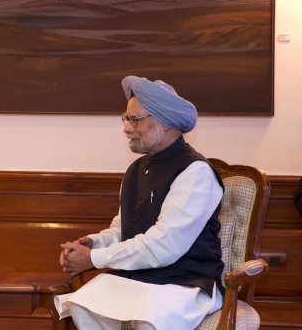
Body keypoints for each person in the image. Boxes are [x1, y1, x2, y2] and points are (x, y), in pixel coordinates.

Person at [55, 76, 225, 330]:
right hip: (140, 278)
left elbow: (164, 245)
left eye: (136, 119)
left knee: (150, 320)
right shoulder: (135, 170)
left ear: (166, 123)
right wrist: (93, 243)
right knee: (82, 304)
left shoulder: (195, 172)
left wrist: (94, 258)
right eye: (126, 119)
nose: (127, 128)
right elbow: (122, 230)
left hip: (185, 283)